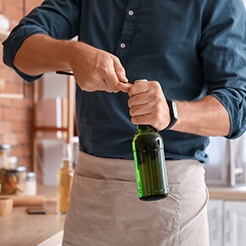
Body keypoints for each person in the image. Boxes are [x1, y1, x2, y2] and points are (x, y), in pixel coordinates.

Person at [2, 0, 246, 245]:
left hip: (172, 204)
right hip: (90, 197)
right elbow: (17, 47)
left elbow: (238, 106)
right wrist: (73, 54)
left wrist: (171, 112)